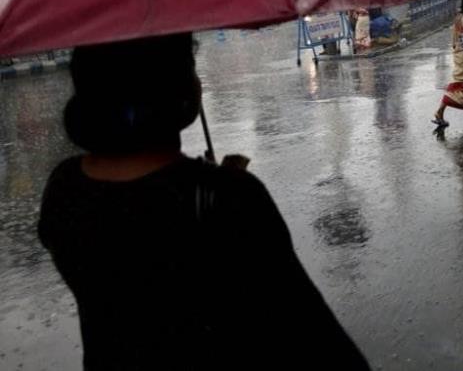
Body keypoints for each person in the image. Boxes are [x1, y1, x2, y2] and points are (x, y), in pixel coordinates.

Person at [38, 34, 369, 370]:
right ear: (174, 90)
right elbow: (312, 334)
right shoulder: (225, 197)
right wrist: (220, 188)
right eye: (191, 69)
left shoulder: (65, 187)